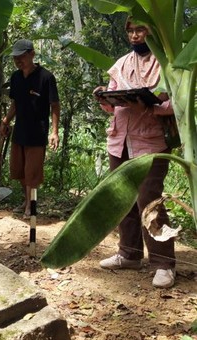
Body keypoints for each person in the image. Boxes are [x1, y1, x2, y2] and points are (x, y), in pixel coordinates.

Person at [93, 19, 176, 289]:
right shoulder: (121, 63)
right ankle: (129, 253)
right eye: (130, 31)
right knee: (123, 199)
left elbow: (177, 103)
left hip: (151, 142)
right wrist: (104, 98)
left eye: (140, 30)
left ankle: (164, 263)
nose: (135, 35)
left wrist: (151, 107)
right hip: (120, 141)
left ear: (152, 30)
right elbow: (113, 105)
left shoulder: (166, 62)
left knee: (149, 201)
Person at [0, 39, 60, 217]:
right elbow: (15, 104)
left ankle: (30, 207)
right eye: (15, 57)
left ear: (32, 54)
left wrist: (54, 132)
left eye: (22, 56)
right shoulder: (16, 77)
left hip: (37, 132)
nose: (18, 61)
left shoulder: (46, 77)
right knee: (19, 170)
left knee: (32, 172)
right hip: (20, 130)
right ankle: (26, 201)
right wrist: (5, 121)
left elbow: (54, 105)